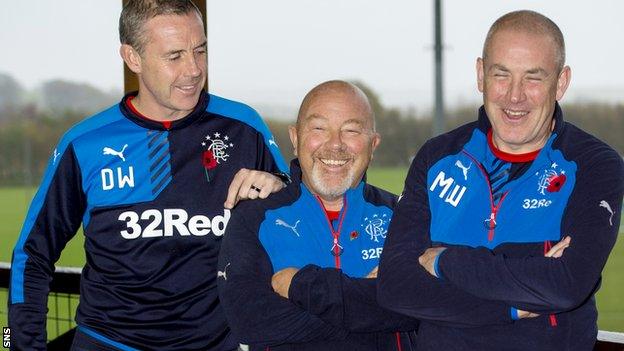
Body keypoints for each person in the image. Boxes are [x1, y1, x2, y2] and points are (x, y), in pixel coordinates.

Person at [8, 1, 288, 350]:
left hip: (217, 343)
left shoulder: (245, 128)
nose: (193, 69)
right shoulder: (85, 144)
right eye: (174, 56)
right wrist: (18, 345)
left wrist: (283, 189)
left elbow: (304, 219)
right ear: (132, 57)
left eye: (199, 50)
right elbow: (32, 254)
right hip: (109, 342)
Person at [377, 10, 624, 350]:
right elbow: (396, 286)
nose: (515, 96)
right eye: (501, 74)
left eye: (533, 78)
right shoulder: (437, 157)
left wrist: (444, 261)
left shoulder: (595, 164)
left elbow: (566, 285)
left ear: (561, 83)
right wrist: (514, 302)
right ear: (481, 75)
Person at [217, 80, 418, 350]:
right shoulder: (254, 217)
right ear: (296, 137)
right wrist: (367, 302)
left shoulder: (403, 217)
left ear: (373, 144)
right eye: (319, 128)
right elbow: (250, 321)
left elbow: (419, 309)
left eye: (351, 130)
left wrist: (300, 287)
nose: (335, 144)